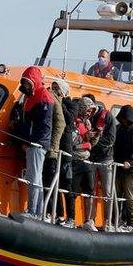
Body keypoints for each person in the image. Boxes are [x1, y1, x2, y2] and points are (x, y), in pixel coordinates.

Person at [14, 66, 53, 217]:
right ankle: (37, 212)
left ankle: (33, 211)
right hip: (32, 143)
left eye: (27, 83)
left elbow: (44, 125)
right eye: (24, 83)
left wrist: (32, 142)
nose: (24, 86)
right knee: (35, 178)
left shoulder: (43, 98)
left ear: (34, 82)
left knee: (34, 178)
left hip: (37, 145)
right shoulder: (31, 97)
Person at [83, 94, 117, 230]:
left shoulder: (107, 116)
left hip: (105, 159)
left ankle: (107, 222)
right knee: (89, 189)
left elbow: (111, 139)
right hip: (90, 159)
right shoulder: (85, 117)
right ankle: (90, 220)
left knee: (107, 192)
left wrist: (93, 142)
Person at [44, 80, 72, 222]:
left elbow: (64, 122)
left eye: (57, 88)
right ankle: (52, 212)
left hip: (62, 152)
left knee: (62, 185)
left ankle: (59, 214)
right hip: (53, 149)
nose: (54, 90)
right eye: (52, 87)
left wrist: (53, 147)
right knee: (50, 183)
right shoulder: (50, 99)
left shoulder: (67, 104)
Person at [68, 98, 94, 229]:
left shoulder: (87, 123)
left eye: (91, 110)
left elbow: (92, 144)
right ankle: (71, 218)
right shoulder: (74, 122)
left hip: (86, 160)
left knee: (89, 190)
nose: (89, 113)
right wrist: (86, 144)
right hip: (75, 160)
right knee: (72, 191)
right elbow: (73, 144)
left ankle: (88, 221)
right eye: (88, 109)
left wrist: (95, 136)